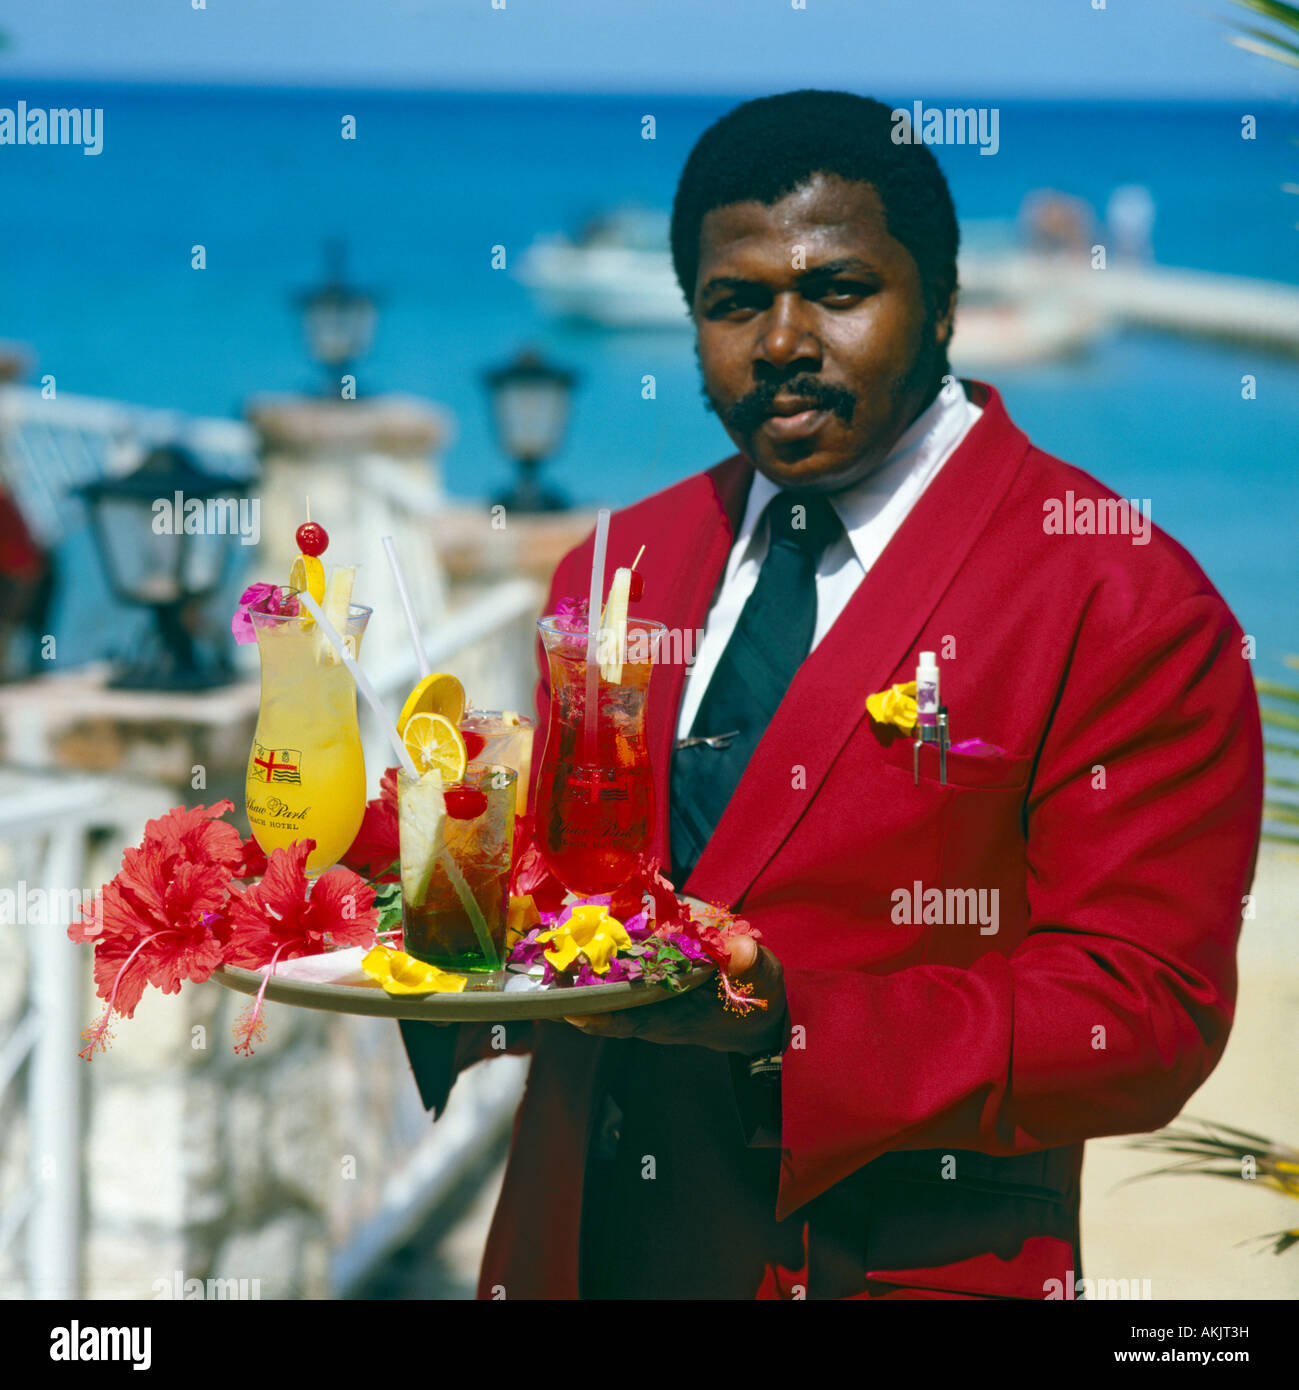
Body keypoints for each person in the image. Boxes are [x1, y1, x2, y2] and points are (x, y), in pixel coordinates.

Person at [399, 90, 1263, 1300]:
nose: (783, 342)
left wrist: (787, 1021)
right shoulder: (614, 567)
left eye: (841, 291)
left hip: (882, 1265)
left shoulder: (1120, 594)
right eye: (735, 303)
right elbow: (559, 904)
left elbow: (1146, 1011)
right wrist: (380, 882)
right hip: (577, 1248)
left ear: (947, 300)